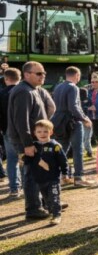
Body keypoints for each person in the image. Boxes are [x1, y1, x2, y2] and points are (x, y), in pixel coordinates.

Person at [8, 62, 57, 219]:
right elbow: (21, 121)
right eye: (38, 74)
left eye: (43, 73)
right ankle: (33, 209)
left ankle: (47, 203)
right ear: (27, 74)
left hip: (35, 139)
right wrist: (27, 144)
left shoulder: (33, 89)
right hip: (27, 141)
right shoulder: (24, 92)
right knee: (31, 174)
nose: (42, 76)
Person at [51, 66, 95, 188]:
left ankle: (61, 177)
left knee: (62, 150)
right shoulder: (73, 87)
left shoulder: (58, 86)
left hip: (58, 121)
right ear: (77, 76)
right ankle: (79, 177)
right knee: (78, 150)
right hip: (72, 121)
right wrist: (84, 118)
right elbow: (74, 106)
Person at [22, 119, 67, 226]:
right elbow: (28, 160)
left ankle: (56, 215)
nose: (42, 134)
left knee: (54, 197)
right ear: (35, 133)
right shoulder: (34, 146)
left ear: (51, 132)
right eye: (39, 132)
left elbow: (63, 161)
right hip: (40, 179)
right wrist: (24, 158)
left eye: (45, 131)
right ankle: (52, 211)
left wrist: (65, 173)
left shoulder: (55, 146)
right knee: (47, 199)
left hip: (53, 178)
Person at [0, 68, 21, 198]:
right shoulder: (23, 91)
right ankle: (27, 185)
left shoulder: (1, 93)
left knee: (12, 160)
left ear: (6, 79)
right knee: (25, 158)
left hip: (7, 129)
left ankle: (14, 188)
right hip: (23, 129)